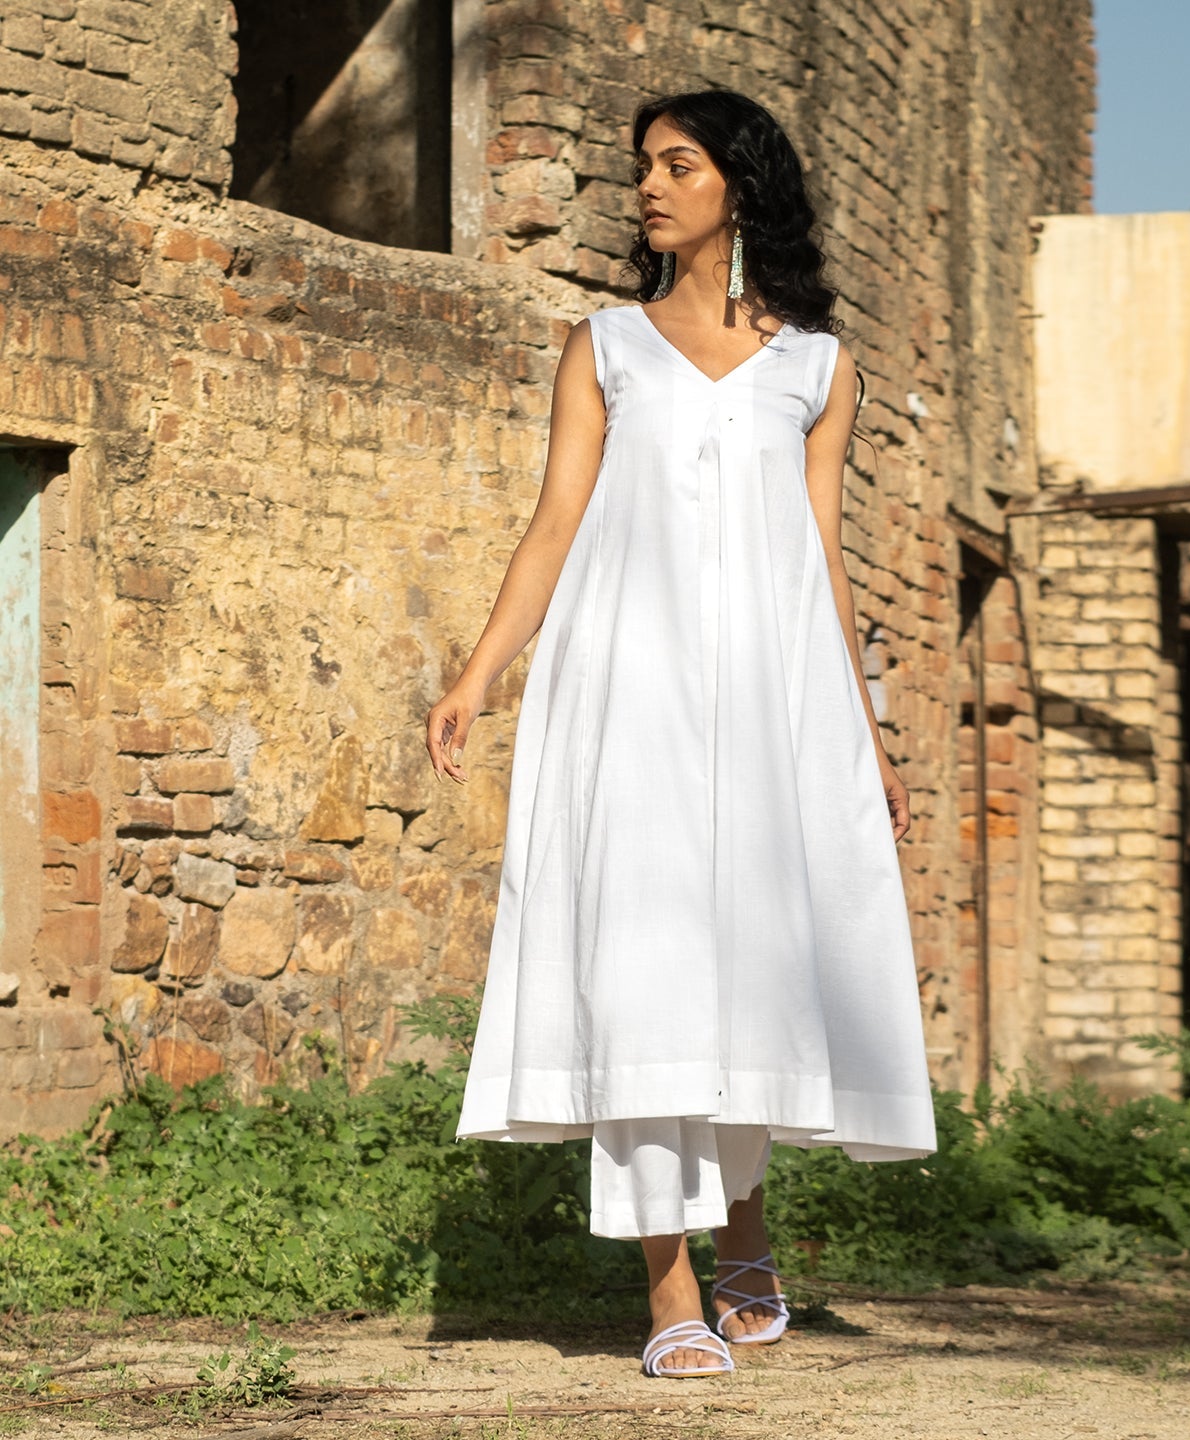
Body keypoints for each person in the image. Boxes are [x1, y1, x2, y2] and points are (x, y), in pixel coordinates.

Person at [425, 88, 936, 1380]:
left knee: (752, 965)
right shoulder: (604, 347)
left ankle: (746, 1224)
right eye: (643, 167)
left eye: (678, 164)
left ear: (738, 186)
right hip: (629, 691)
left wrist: (866, 736)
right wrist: (478, 674)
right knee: (646, 968)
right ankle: (670, 1287)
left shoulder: (819, 368)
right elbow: (554, 524)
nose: (649, 187)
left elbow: (822, 559)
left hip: (769, 702)